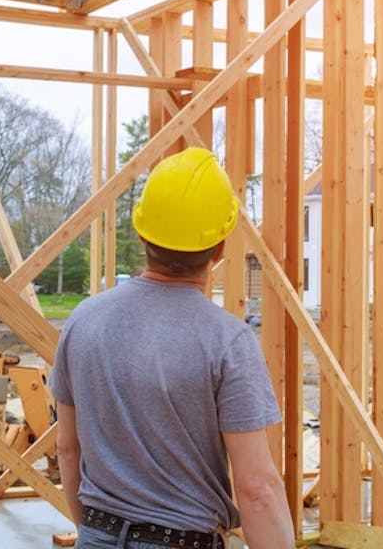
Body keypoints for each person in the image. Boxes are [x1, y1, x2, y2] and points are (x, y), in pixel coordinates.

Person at [49, 147, 294, 549]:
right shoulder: (227, 341)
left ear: (143, 233)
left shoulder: (83, 320)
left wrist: (95, 534)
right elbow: (256, 488)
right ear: (220, 248)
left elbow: (67, 448)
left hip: (94, 535)